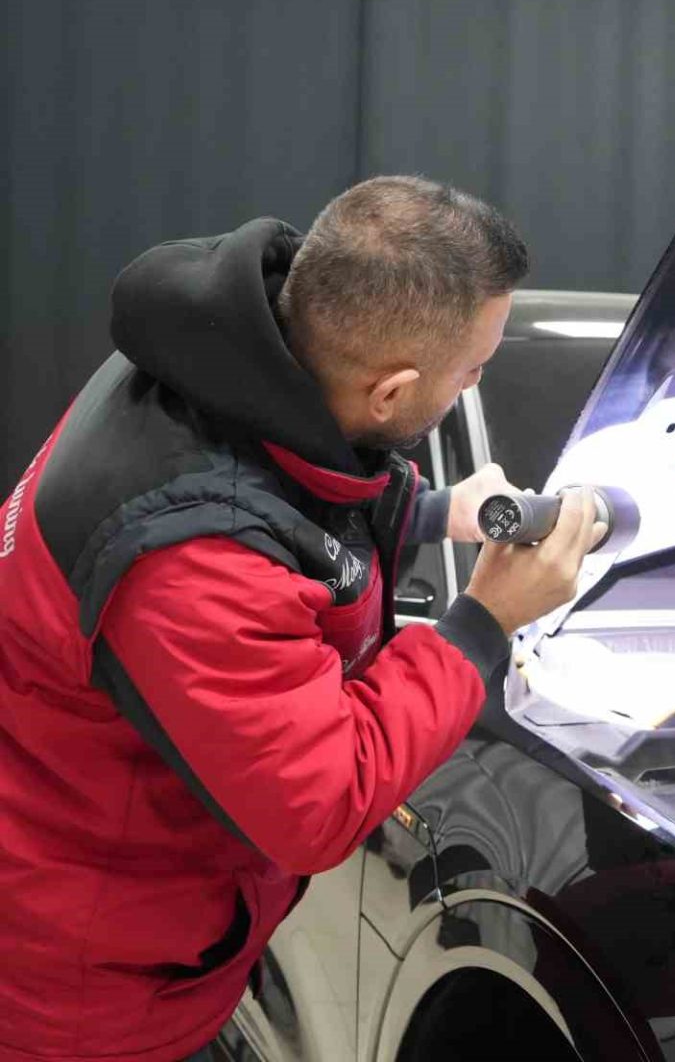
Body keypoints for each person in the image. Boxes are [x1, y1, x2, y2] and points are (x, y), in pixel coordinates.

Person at [0, 176, 604, 1062]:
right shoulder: (194, 562)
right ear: (391, 394)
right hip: (82, 992)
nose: (479, 377)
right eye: (473, 369)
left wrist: (435, 512)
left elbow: (290, 488)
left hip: (132, 910)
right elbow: (321, 803)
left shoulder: (214, 359)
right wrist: (483, 621)